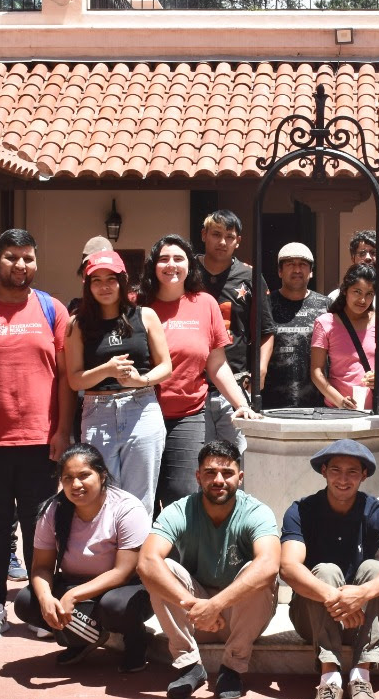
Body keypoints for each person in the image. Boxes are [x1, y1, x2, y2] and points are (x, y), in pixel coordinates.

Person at [0, 228, 75, 643]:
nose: (20, 265)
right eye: (11, 257)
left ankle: (37, 606)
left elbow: (64, 377)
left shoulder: (51, 308)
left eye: (27, 257)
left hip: (42, 439)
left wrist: (62, 429)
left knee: (39, 528)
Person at [280, 439, 379, 699]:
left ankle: (361, 675)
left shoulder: (375, 512)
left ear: (364, 476)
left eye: (352, 472)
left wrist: (361, 595)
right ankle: (329, 679)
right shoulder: (302, 510)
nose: (343, 479)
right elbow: (288, 567)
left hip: (361, 618)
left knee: (377, 568)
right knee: (325, 570)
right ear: (324, 471)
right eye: (336, 470)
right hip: (311, 620)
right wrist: (333, 597)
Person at [137, 440, 280, 699]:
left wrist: (215, 605)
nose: (218, 480)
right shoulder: (180, 510)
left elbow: (269, 565)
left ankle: (232, 668)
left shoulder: (256, 512)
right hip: (197, 615)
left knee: (257, 572)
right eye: (210, 472)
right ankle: (189, 664)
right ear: (198, 476)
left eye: (227, 473)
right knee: (162, 568)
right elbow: (146, 562)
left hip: (243, 616)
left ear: (240, 476)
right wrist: (194, 604)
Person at [139, 234, 259, 510]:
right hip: (141, 413)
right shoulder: (137, 304)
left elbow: (216, 364)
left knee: (182, 495)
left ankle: (178, 554)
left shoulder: (205, 304)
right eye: (164, 259)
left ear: (190, 265)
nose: (171, 265)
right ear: (153, 265)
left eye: (179, 258)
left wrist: (242, 404)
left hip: (187, 415)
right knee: (141, 497)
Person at [14, 444, 154, 670]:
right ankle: (81, 639)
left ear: (102, 475)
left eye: (84, 476)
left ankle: (136, 641)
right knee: (26, 602)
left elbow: (123, 572)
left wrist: (73, 596)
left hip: (122, 588)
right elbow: (41, 567)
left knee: (115, 606)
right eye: (67, 478)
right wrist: (46, 599)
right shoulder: (53, 510)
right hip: (73, 583)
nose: (75, 485)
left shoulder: (127, 508)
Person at [66, 250, 172, 515]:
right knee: (101, 495)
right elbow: (74, 379)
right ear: (87, 286)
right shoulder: (77, 324)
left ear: (123, 281)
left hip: (142, 407)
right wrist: (107, 369)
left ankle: (136, 556)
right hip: (97, 410)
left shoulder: (145, 316)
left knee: (141, 500)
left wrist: (141, 379)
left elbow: (166, 366)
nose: (104, 286)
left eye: (111, 279)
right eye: (96, 280)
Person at [198, 210, 258, 452]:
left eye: (229, 236)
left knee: (237, 460)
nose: (222, 242)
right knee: (197, 462)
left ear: (238, 241)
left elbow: (264, 330)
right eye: (216, 234)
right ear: (204, 235)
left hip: (235, 385)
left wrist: (259, 373)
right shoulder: (186, 271)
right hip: (194, 387)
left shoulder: (250, 276)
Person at [258, 242, 328, 409]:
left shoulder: (326, 306)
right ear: (280, 271)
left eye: (303, 265)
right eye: (290, 264)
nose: (297, 270)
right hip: (270, 406)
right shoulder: (266, 305)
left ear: (311, 272)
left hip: (316, 406)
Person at [312, 264, 379, 411]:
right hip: (337, 411)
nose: (362, 300)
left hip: (378, 411)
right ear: (344, 291)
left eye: (369, 294)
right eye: (357, 292)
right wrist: (340, 401)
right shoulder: (325, 322)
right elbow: (316, 372)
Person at [327, 229, 379, 310]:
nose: (368, 258)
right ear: (353, 258)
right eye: (362, 253)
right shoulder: (334, 297)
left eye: (374, 253)